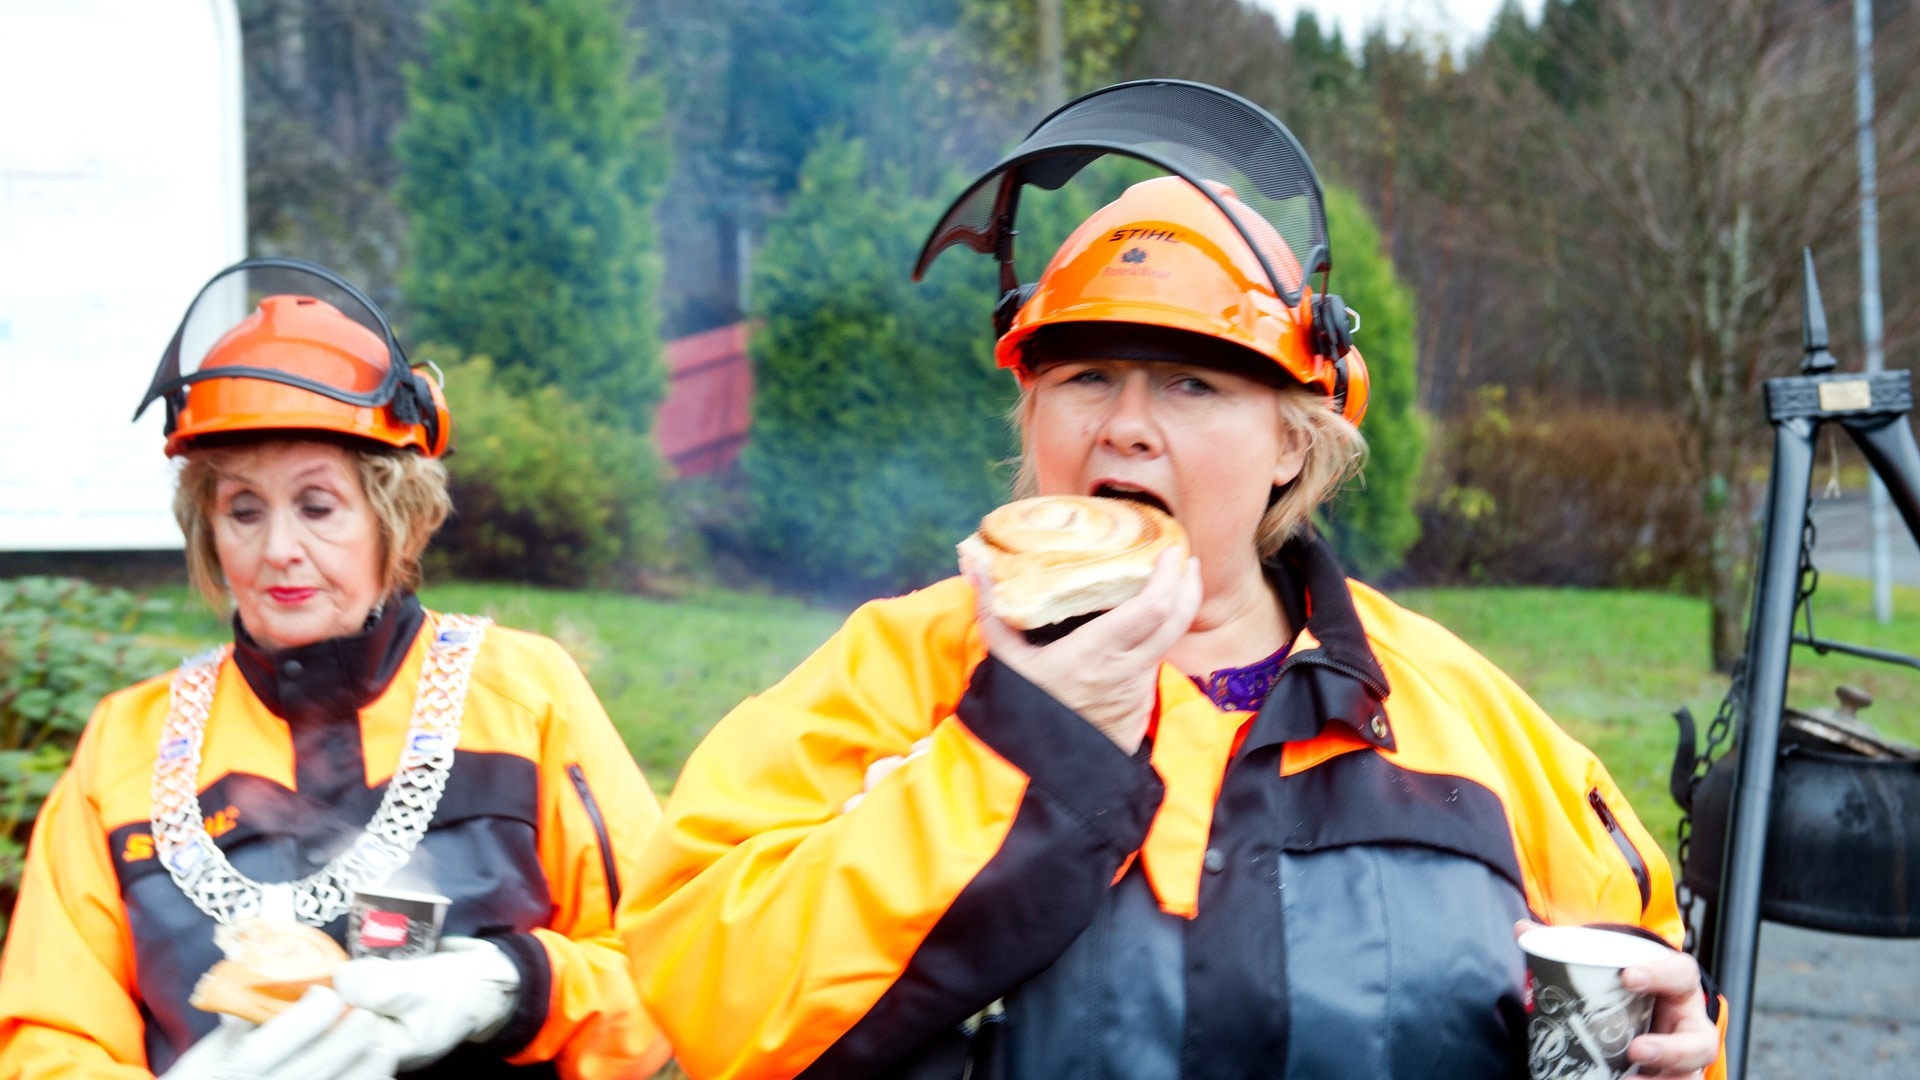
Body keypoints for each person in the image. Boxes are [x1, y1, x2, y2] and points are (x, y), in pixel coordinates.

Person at [624, 102, 1723, 1078]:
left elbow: (1641, 988)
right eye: (1085, 377)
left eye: (1193, 384)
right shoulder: (901, 673)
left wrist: (1680, 1039)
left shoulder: (1456, 713)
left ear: (1293, 447)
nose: (1127, 425)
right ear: (1033, 420)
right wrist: (1030, 746)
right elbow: (713, 1001)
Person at [0, 259, 671, 1079]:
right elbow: (49, 1038)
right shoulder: (125, 745)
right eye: (244, 509)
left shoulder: (522, 695)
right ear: (209, 529)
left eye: (317, 506)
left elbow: (664, 967)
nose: (280, 549)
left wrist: (518, 987)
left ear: (396, 516)